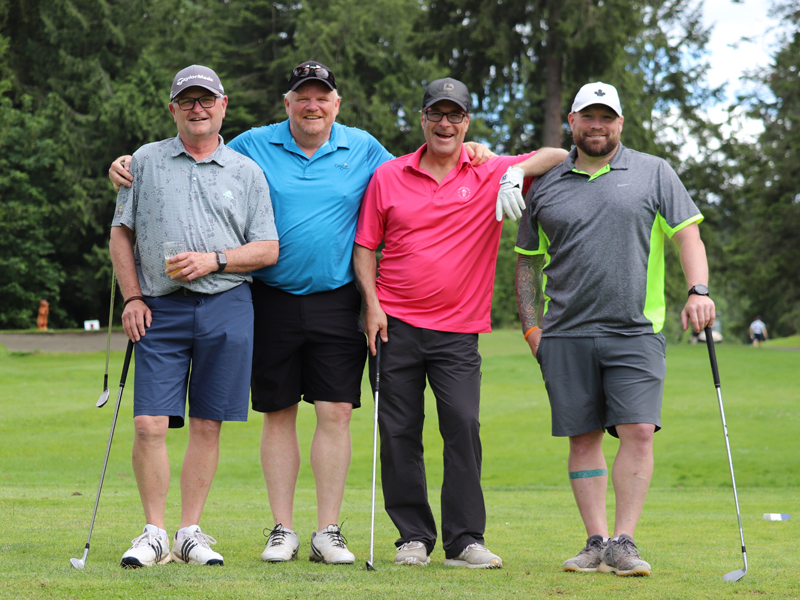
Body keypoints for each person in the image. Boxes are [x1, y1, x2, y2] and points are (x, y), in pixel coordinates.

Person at [110, 61, 494, 565]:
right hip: (270, 297)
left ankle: (327, 531)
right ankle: (283, 529)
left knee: (336, 412)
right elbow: (199, 151)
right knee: (279, 412)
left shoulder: (363, 148)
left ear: (336, 104)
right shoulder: (254, 144)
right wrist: (127, 164)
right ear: (287, 103)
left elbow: (415, 171)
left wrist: (468, 149)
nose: (313, 106)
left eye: (322, 97)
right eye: (302, 97)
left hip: (338, 298)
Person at [353, 77, 568, 569]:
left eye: (455, 115)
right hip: (394, 325)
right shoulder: (389, 175)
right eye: (436, 114)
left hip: (457, 331)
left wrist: (515, 172)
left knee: (463, 427)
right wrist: (372, 305)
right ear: (423, 119)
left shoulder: (490, 171)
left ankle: (465, 539)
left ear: (467, 121)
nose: (445, 124)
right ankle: (412, 537)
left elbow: (559, 155)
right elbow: (365, 246)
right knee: (398, 432)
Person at [512, 82, 715, 577]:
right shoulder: (545, 183)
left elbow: (688, 235)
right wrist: (532, 328)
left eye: (607, 117)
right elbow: (526, 262)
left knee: (639, 430)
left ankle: (624, 542)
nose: (597, 125)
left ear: (620, 123)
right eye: (588, 116)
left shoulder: (654, 171)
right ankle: (596, 541)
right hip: (565, 332)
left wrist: (698, 290)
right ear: (573, 122)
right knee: (582, 438)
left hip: (635, 330)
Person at [109, 65, 279, 568]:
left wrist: (215, 260)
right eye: (187, 101)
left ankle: (188, 533)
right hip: (159, 308)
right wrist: (132, 297)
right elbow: (121, 233)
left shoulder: (247, 171)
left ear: (223, 106)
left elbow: (267, 248)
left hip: (227, 305)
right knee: (148, 424)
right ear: (173, 109)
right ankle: (154, 533)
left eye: (206, 100)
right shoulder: (143, 161)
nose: (197, 109)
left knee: (207, 424)